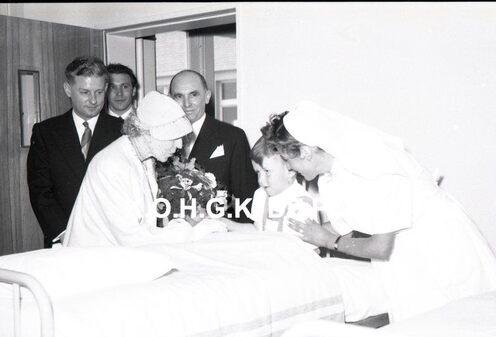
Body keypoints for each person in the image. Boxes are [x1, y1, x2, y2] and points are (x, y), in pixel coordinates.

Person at [262, 101, 496, 322]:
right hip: (405, 257)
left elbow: (380, 246)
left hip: (436, 248)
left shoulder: (371, 165)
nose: (289, 168)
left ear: (305, 152)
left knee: (455, 329)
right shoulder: (331, 177)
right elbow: (341, 225)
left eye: (288, 160)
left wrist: (328, 241)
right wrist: (289, 239)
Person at [63, 91, 227, 247]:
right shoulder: (112, 165)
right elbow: (134, 239)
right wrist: (192, 232)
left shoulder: (145, 160)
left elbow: (146, 226)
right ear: (146, 133)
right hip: (91, 260)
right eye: (173, 137)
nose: (179, 145)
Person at [27, 56, 123, 248]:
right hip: (64, 240)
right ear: (68, 89)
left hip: (112, 239)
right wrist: (65, 234)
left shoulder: (122, 131)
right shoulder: (46, 132)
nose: (93, 100)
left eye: (99, 92)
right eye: (85, 92)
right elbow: (40, 192)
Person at [168, 69, 257, 222]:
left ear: (207, 96)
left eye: (194, 95)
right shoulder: (161, 139)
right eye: (179, 96)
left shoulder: (232, 137)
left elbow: (246, 197)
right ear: (170, 100)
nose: (187, 104)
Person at [249, 137, 319, 240]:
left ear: (290, 171)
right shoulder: (260, 194)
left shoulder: (302, 203)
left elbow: (306, 246)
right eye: (258, 172)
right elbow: (257, 231)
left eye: (267, 172)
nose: (261, 180)